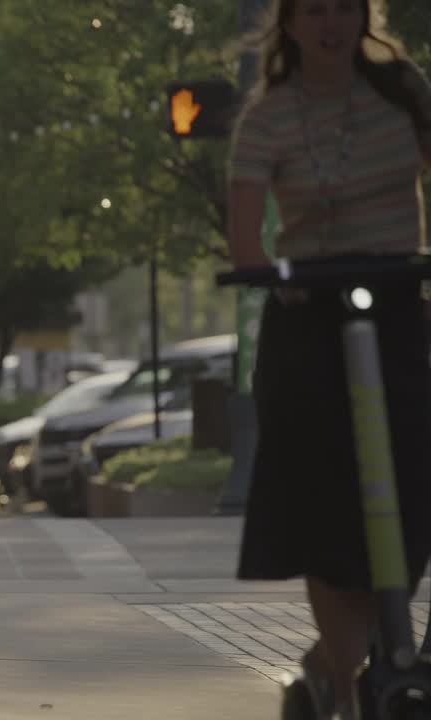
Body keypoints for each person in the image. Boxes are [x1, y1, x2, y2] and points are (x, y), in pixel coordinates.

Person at [227, 0, 431, 715]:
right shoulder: (268, 117)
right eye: (312, 10)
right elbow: (246, 233)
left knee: (409, 497)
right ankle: (348, 691)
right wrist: (264, 276)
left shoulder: (402, 91)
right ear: (288, 23)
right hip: (310, 318)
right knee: (323, 515)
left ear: (364, 14)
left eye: (343, 6)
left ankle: (348, 658)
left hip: (399, 306)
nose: (328, 23)